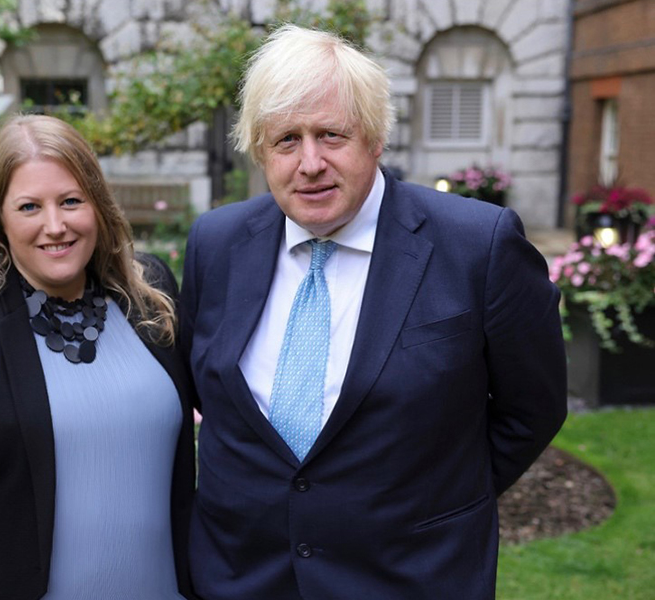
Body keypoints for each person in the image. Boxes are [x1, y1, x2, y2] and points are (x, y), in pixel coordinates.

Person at [180, 25, 567, 600]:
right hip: (241, 577)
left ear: (375, 139)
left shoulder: (477, 246)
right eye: (287, 140)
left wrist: (434, 500)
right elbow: (206, 393)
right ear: (261, 150)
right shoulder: (216, 243)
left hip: (411, 577)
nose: (310, 162)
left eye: (331, 135)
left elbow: (531, 408)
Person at [0, 115, 197, 600]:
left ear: (99, 206)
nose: (55, 225)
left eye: (71, 201)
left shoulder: (148, 293)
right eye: (29, 206)